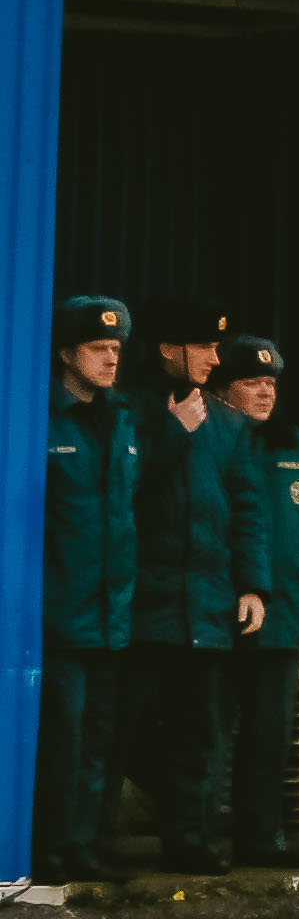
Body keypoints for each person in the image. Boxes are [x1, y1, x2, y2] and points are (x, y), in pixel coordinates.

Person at [123, 297, 268, 873]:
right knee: (120, 729)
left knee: (199, 732)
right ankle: (90, 843)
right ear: (168, 349)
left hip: (206, 609)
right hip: (141, 606)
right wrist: (172, 432)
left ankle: (190, 841)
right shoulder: (126, 410)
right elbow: (120, 490)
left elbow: (247, 509)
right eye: (204, 346)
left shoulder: (227, 424)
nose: (215, 358)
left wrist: (253, 586)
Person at [206, 335, 299, 871]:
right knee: (210, 735)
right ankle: (201, 836)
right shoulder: (206, 441)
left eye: (271, 383)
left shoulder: (297, 446)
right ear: (222, 390)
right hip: (217, 615)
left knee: (270, 736)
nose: (266, 393)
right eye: (252, 383)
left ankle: (263, 837)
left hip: (284, 616)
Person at [37, 295, 138, 879]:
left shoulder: (121, 419)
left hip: (111, 619)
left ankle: (82, 848)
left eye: (116, 349)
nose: (111, 359)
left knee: (98, 740)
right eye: (99, 348)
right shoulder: (42, 419)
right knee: (61, 741)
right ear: (65, 354)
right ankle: (48, 850)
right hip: (59, 618)